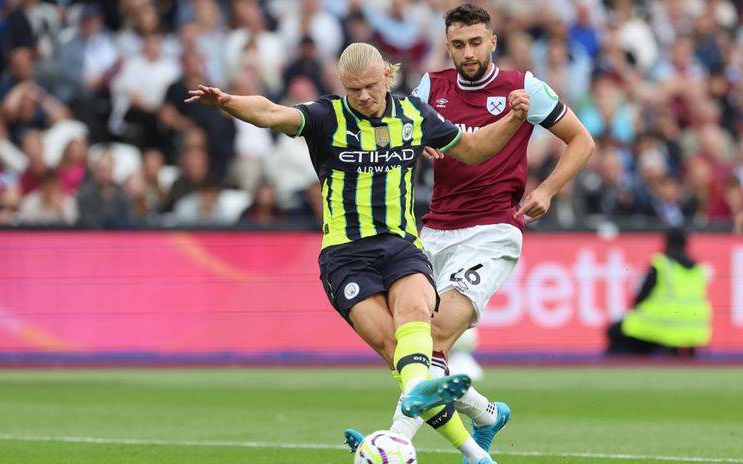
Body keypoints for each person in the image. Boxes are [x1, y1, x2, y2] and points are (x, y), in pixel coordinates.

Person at [185, 42, 530, 464]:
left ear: (387, 76)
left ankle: (468, 446)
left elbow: (474, 149)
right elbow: (272, 113)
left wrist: (514, 118)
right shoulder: (326, 117)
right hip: (346, 256)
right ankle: (479, 426)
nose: (363, 97)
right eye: (353, 90)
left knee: (417, 318)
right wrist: (229, 102)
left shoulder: (415, 116)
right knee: (399, 353)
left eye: (370, 86)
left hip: (402, 244)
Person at [345, 5, 596, 461]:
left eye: (476, 42)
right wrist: (421, 143)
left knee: (436, 335)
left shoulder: (522, 88)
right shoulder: (430, 88)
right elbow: (406, 133)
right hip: (434, 231)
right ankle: (485, 415)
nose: (468, 53)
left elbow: (582, 140)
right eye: (458, 45)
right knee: (412, 349)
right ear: (448, 46)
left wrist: (548, 189)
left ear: (492, 41)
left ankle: (395, 441)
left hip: (494, 230)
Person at [606, 227, 712, 356]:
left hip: (663, 326)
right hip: (695, 330)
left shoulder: (661, 264)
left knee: (615, 331)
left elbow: (640, 297)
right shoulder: (699, 269)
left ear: (666, 241)